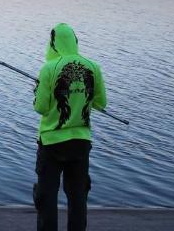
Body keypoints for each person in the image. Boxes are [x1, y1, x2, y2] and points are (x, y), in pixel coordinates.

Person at [32, 23, 107, 231]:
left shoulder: (49, 68)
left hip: (51, 143)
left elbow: (40, 107)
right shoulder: (93, 67)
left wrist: (38, 89)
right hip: (81, 143)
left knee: (47, 197)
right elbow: (101, 104)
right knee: (78, 196)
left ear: (53, 43)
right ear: (75, 41)